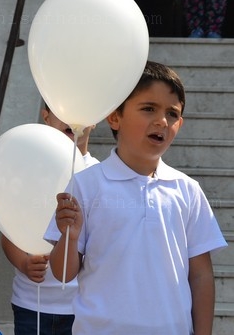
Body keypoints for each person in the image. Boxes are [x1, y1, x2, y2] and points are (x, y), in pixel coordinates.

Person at [45, 61, 227, 334]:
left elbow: (200, 275)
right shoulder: (86, 184)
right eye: (148, 108)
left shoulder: (187, 190)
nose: (161, 121)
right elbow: (62, 273)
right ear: (114, 117)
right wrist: (69, 236)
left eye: (172, 113)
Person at [1, 103, 98, 335]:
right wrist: (24, 263)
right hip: (31, 303)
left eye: (80, 109)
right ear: (46, 116)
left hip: (80, 305)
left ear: (95, 119)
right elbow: (9, 229)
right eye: (61, 109)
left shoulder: (98, 175)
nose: (71, 118)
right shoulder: (27, 170)